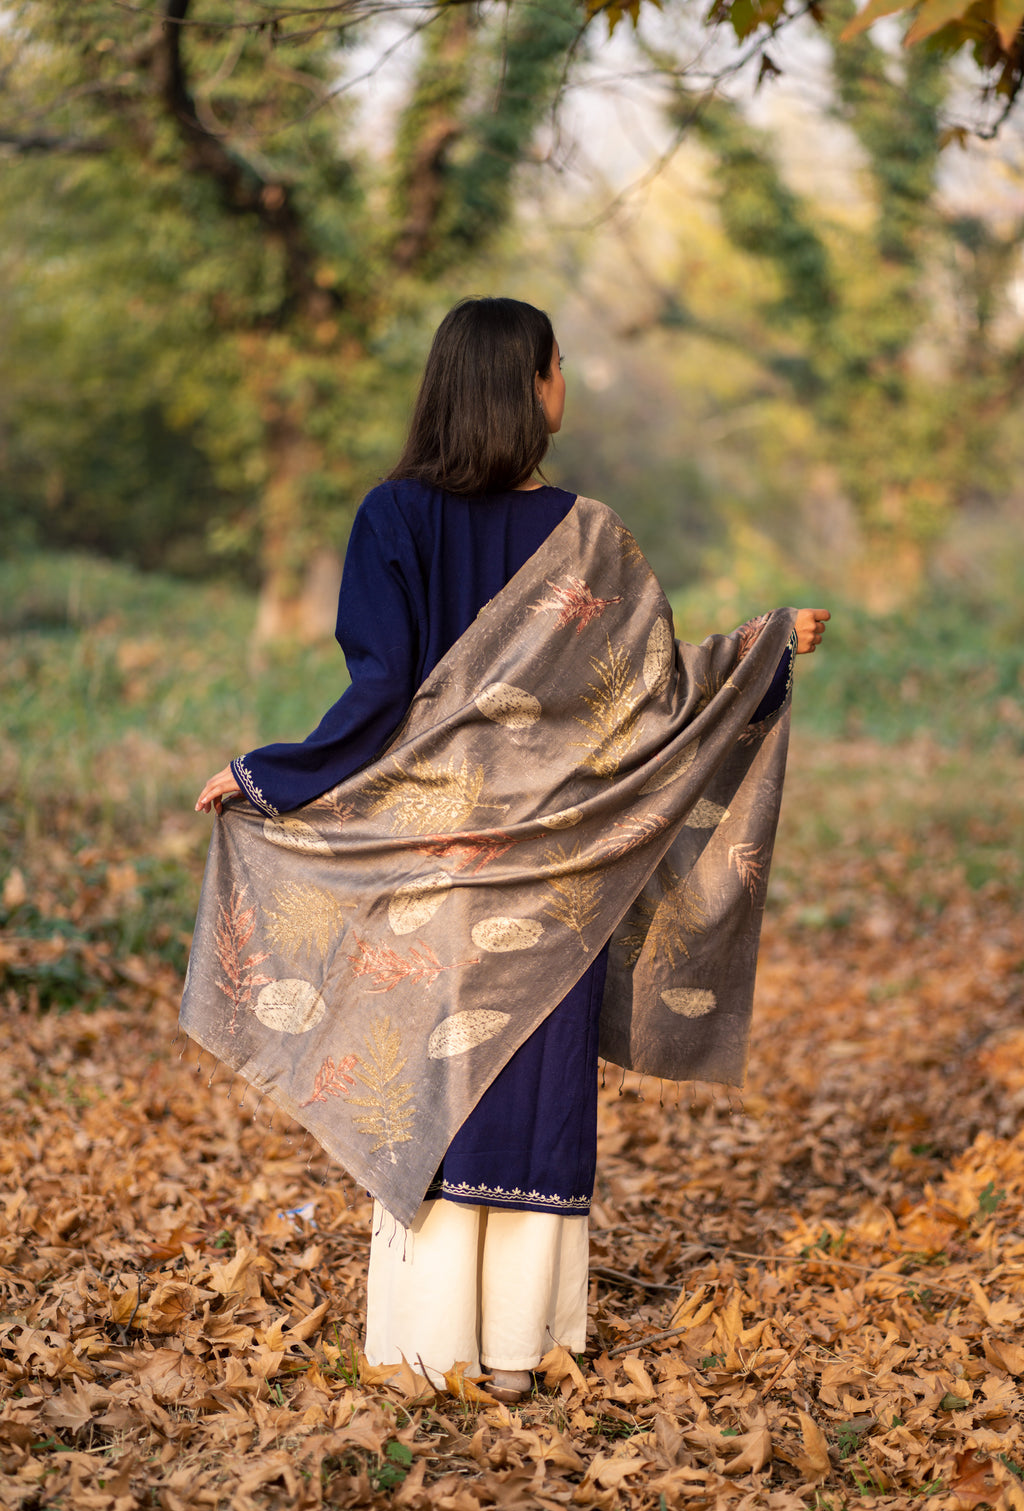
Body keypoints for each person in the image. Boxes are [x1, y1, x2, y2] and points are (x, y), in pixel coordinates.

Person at [194, 296, 829, 1402]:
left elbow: (380, 695)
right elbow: (660, 703)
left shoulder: (391, 517)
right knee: (532, 1097)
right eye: (556, 367)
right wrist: (764, 649)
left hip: (427, 873)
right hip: (560, 880)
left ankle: (422, 1348)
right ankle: (515, 1352)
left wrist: (268, 777)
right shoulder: (593, 537)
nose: (565, 383)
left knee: (432, 1087)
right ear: (524, 388)